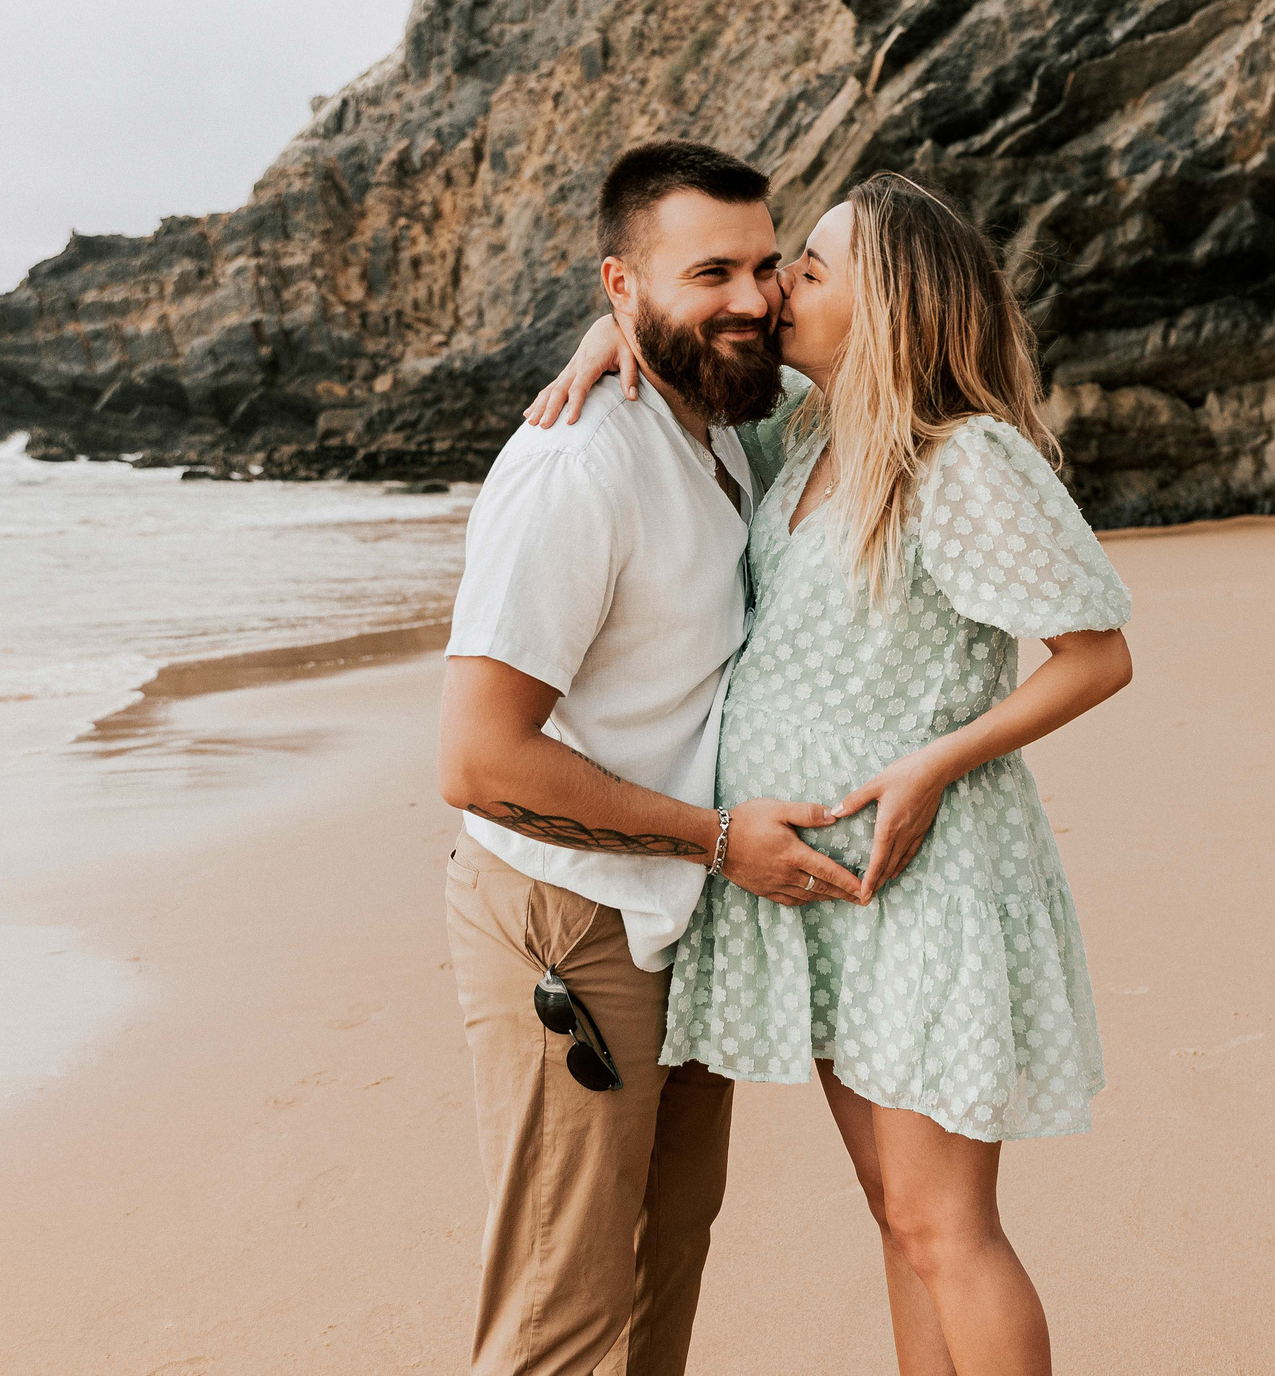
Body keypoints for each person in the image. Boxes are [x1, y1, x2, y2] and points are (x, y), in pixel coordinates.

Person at [528, 171, 1135, 1375]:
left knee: (944, 1226)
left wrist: (931, 765)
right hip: (824, 893)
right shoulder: (797, 433)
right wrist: (616, 323)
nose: (772, 289)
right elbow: (688, 352)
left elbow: (1097, 654)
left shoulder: (960, 462)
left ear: (890, 303)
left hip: (926, 881)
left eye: (807, 269)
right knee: (898, 1221)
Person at [436, 140, 866, 1376]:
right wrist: (725, 841)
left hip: (680, 910)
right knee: (561, 1303)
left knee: (662, 1261)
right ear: (623, 286)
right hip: (569, 922)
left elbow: (875, 369)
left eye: (765, 266)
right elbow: (478, 759)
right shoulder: (580, 468)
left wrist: (712, 863)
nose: (749, 298)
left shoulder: (726, 416)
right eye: (708, 272)